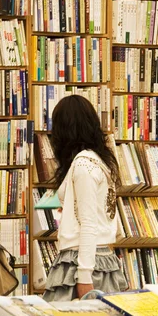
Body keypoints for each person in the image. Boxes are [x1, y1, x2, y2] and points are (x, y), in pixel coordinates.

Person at [43, 95, 128, 302]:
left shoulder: (83, 165)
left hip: (82, 262)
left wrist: (84, 277)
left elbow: (89, 224)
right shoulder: (99, 162)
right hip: (100, 259)